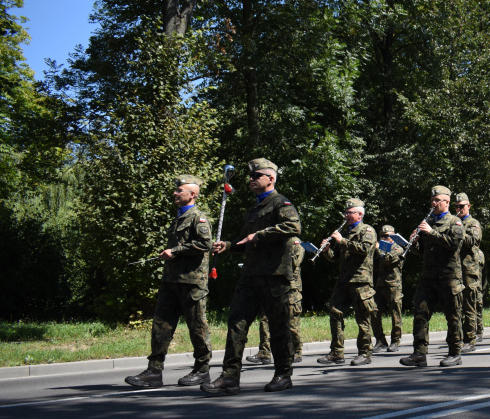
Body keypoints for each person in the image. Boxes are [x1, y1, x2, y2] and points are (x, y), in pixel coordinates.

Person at [201, 159, 302, 395]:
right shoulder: (253, 209)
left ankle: (283, 375)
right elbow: (245, 240)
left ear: (271, 179)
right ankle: (229, 377)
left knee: (278, 327)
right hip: (250, 275)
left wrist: (260, 234)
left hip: (275, 276)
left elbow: (293, 227)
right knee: (236, 323)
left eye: (257, 175)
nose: (251, 179)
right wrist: (228, 245)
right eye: (251, 176)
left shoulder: (281, 202)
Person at [125, 175, 213, 388]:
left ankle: (202, 370)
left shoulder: (198, 217)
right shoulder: (178, 218)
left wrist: (175, 250)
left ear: (192, 194)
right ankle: (154, 371)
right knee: (161, 325)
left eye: (180, 190)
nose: (175, 193)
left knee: (197, 326)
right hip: (171, 280)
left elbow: (205, 244)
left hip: (192, 282)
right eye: (176, 190)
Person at [399, 186, 466, 368]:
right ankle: (419, 353)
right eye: (432, 200)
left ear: (447, 202)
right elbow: (422, 251)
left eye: (438, 200)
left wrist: (432, 233)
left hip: (449, 277)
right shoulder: (427, 222)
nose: (434, 203)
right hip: (428, 277)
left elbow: (454, 245)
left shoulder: (454, 222)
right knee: (420, 314)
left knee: (453, 316)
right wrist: (414, 243)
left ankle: (454, 353)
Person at [317, 199, 378, 366]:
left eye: (350, 213)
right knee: (334, 311)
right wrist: (326, 251)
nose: (346, 216)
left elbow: (365, 249)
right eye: (345, 213)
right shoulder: (344, 233)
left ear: (360, 214)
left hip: (361, 281)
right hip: (344, 280)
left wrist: (342, 241)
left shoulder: (367, 230)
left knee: (363, 317)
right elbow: (335, 257)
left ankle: (365, 353)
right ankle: (337, 352)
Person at [454, 193, 484, 352]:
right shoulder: (455, 222)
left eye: (462, 206)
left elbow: (473, 241)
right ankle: (458, 337)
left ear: (469, 206)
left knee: (469, 304)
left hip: (469, 269)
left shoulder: (473, 223)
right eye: (456, 207)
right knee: (457, 305)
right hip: (455, 269)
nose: (459, 209)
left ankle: (470, 339)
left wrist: (458, 230)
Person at [372, 225, 405, 352]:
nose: (384, 238)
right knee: (374, 311)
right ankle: (380, 340)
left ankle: (395, 340)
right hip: (380, 284)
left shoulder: (398, 249)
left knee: (395, 313)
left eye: (387, 236)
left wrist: (378, 249)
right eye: (382, 236)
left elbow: (387, 260)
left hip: (393, 285)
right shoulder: (381, 248)